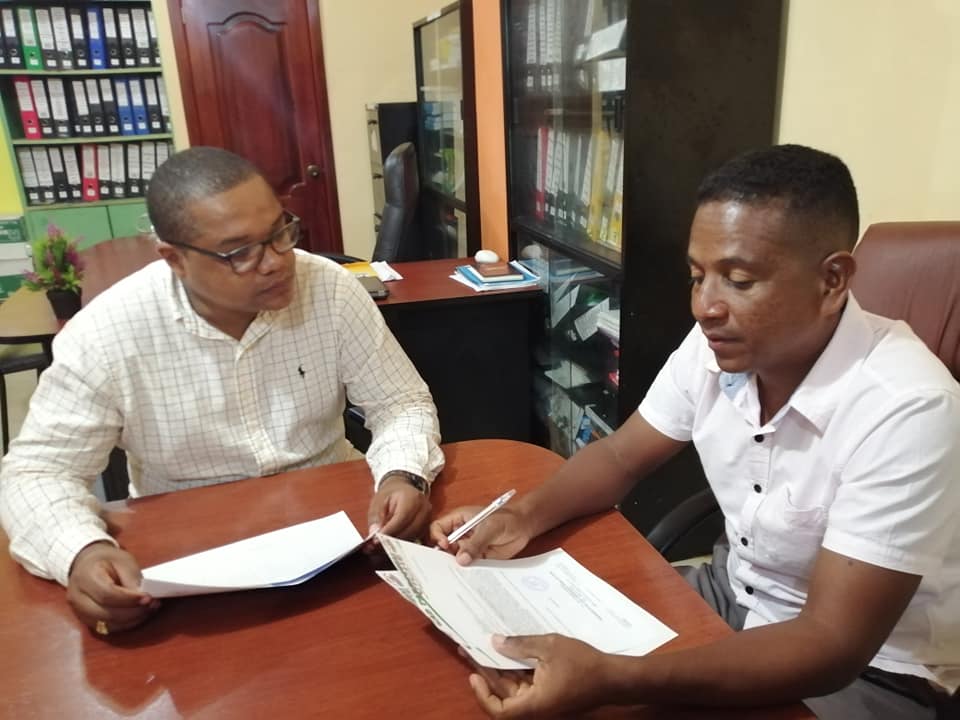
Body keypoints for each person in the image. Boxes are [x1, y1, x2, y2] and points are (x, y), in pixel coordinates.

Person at [431, 144, 960, 719]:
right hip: (732, 596)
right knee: (501, 657)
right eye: (697, 276)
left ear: (832, 280)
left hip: (873, 671)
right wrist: (521, 517)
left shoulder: (908, 406)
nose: (705, 306)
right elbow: (620, 456)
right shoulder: (718, 345)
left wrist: (616, 681)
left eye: (739, 280)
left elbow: (832, 643)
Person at [0, 146, 444, 635]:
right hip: (189, 553)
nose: (275, 262)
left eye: (280, 232)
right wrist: (82, 551)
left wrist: (402, 475)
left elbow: (400, 403)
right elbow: (36, 473)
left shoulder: (330, 289)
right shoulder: (106, 334)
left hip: (341, 529)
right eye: (240, 252)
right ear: (175, 259)